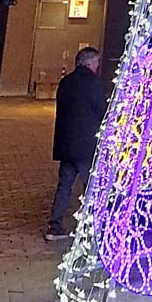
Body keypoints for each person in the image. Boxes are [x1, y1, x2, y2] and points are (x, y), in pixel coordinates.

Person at [46, 47, 106, 241]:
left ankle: (55, 226)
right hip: (86, 144)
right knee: (91, 186)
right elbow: (101, 110)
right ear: (90, 63)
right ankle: (92, 225)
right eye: (96, 62)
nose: (98, 66)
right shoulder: (93, 83)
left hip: (66, 143)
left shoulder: (66, 82)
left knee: (64, 185)